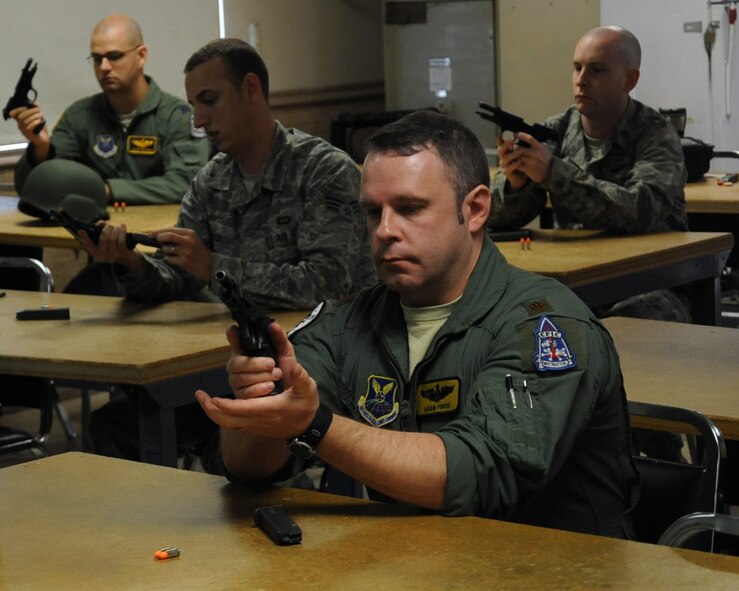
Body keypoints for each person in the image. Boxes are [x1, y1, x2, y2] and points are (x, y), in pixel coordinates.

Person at [195, 110, 639, 538]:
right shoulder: (349, 322)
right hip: (422, 566)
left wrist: (313, 424)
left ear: (477, 209)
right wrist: (261, 405)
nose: (385, 230)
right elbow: (244, 468)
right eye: (374, 212)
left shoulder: (544, 325)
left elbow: (480, 472)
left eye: (409, 208)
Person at [81, 38, 376, 468]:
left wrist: (214, 267)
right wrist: (129, 262)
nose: (198, 120)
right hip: (230, 366)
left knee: (236, 442)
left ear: (251, 90)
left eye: (209, 101)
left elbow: (329, 283)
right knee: (114, 426)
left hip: (316, 370)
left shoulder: (323, 171)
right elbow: (178, 277)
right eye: (193, 105)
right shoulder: (210, 182)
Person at [489, 26, 690, 324]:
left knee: (624, 326)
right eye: (577, 68)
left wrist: (553, 173)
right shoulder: (555, 130)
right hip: (578, 279)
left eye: (596, 70)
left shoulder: (655, 134)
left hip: (649, 281)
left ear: (629, 80)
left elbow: (639, 210)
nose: (581, 80)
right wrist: (516, 185)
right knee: (513, 320)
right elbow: (496, 218)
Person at [10, 14, 210, 206]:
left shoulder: (178, 116)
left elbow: (186, 183)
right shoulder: (80, 116)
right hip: (95, 231)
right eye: (97, 59)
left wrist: (106, 190)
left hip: (159, 234)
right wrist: (41, 149)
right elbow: (35, 188)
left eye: (114, 56)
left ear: (141, 55)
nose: (104, 67)